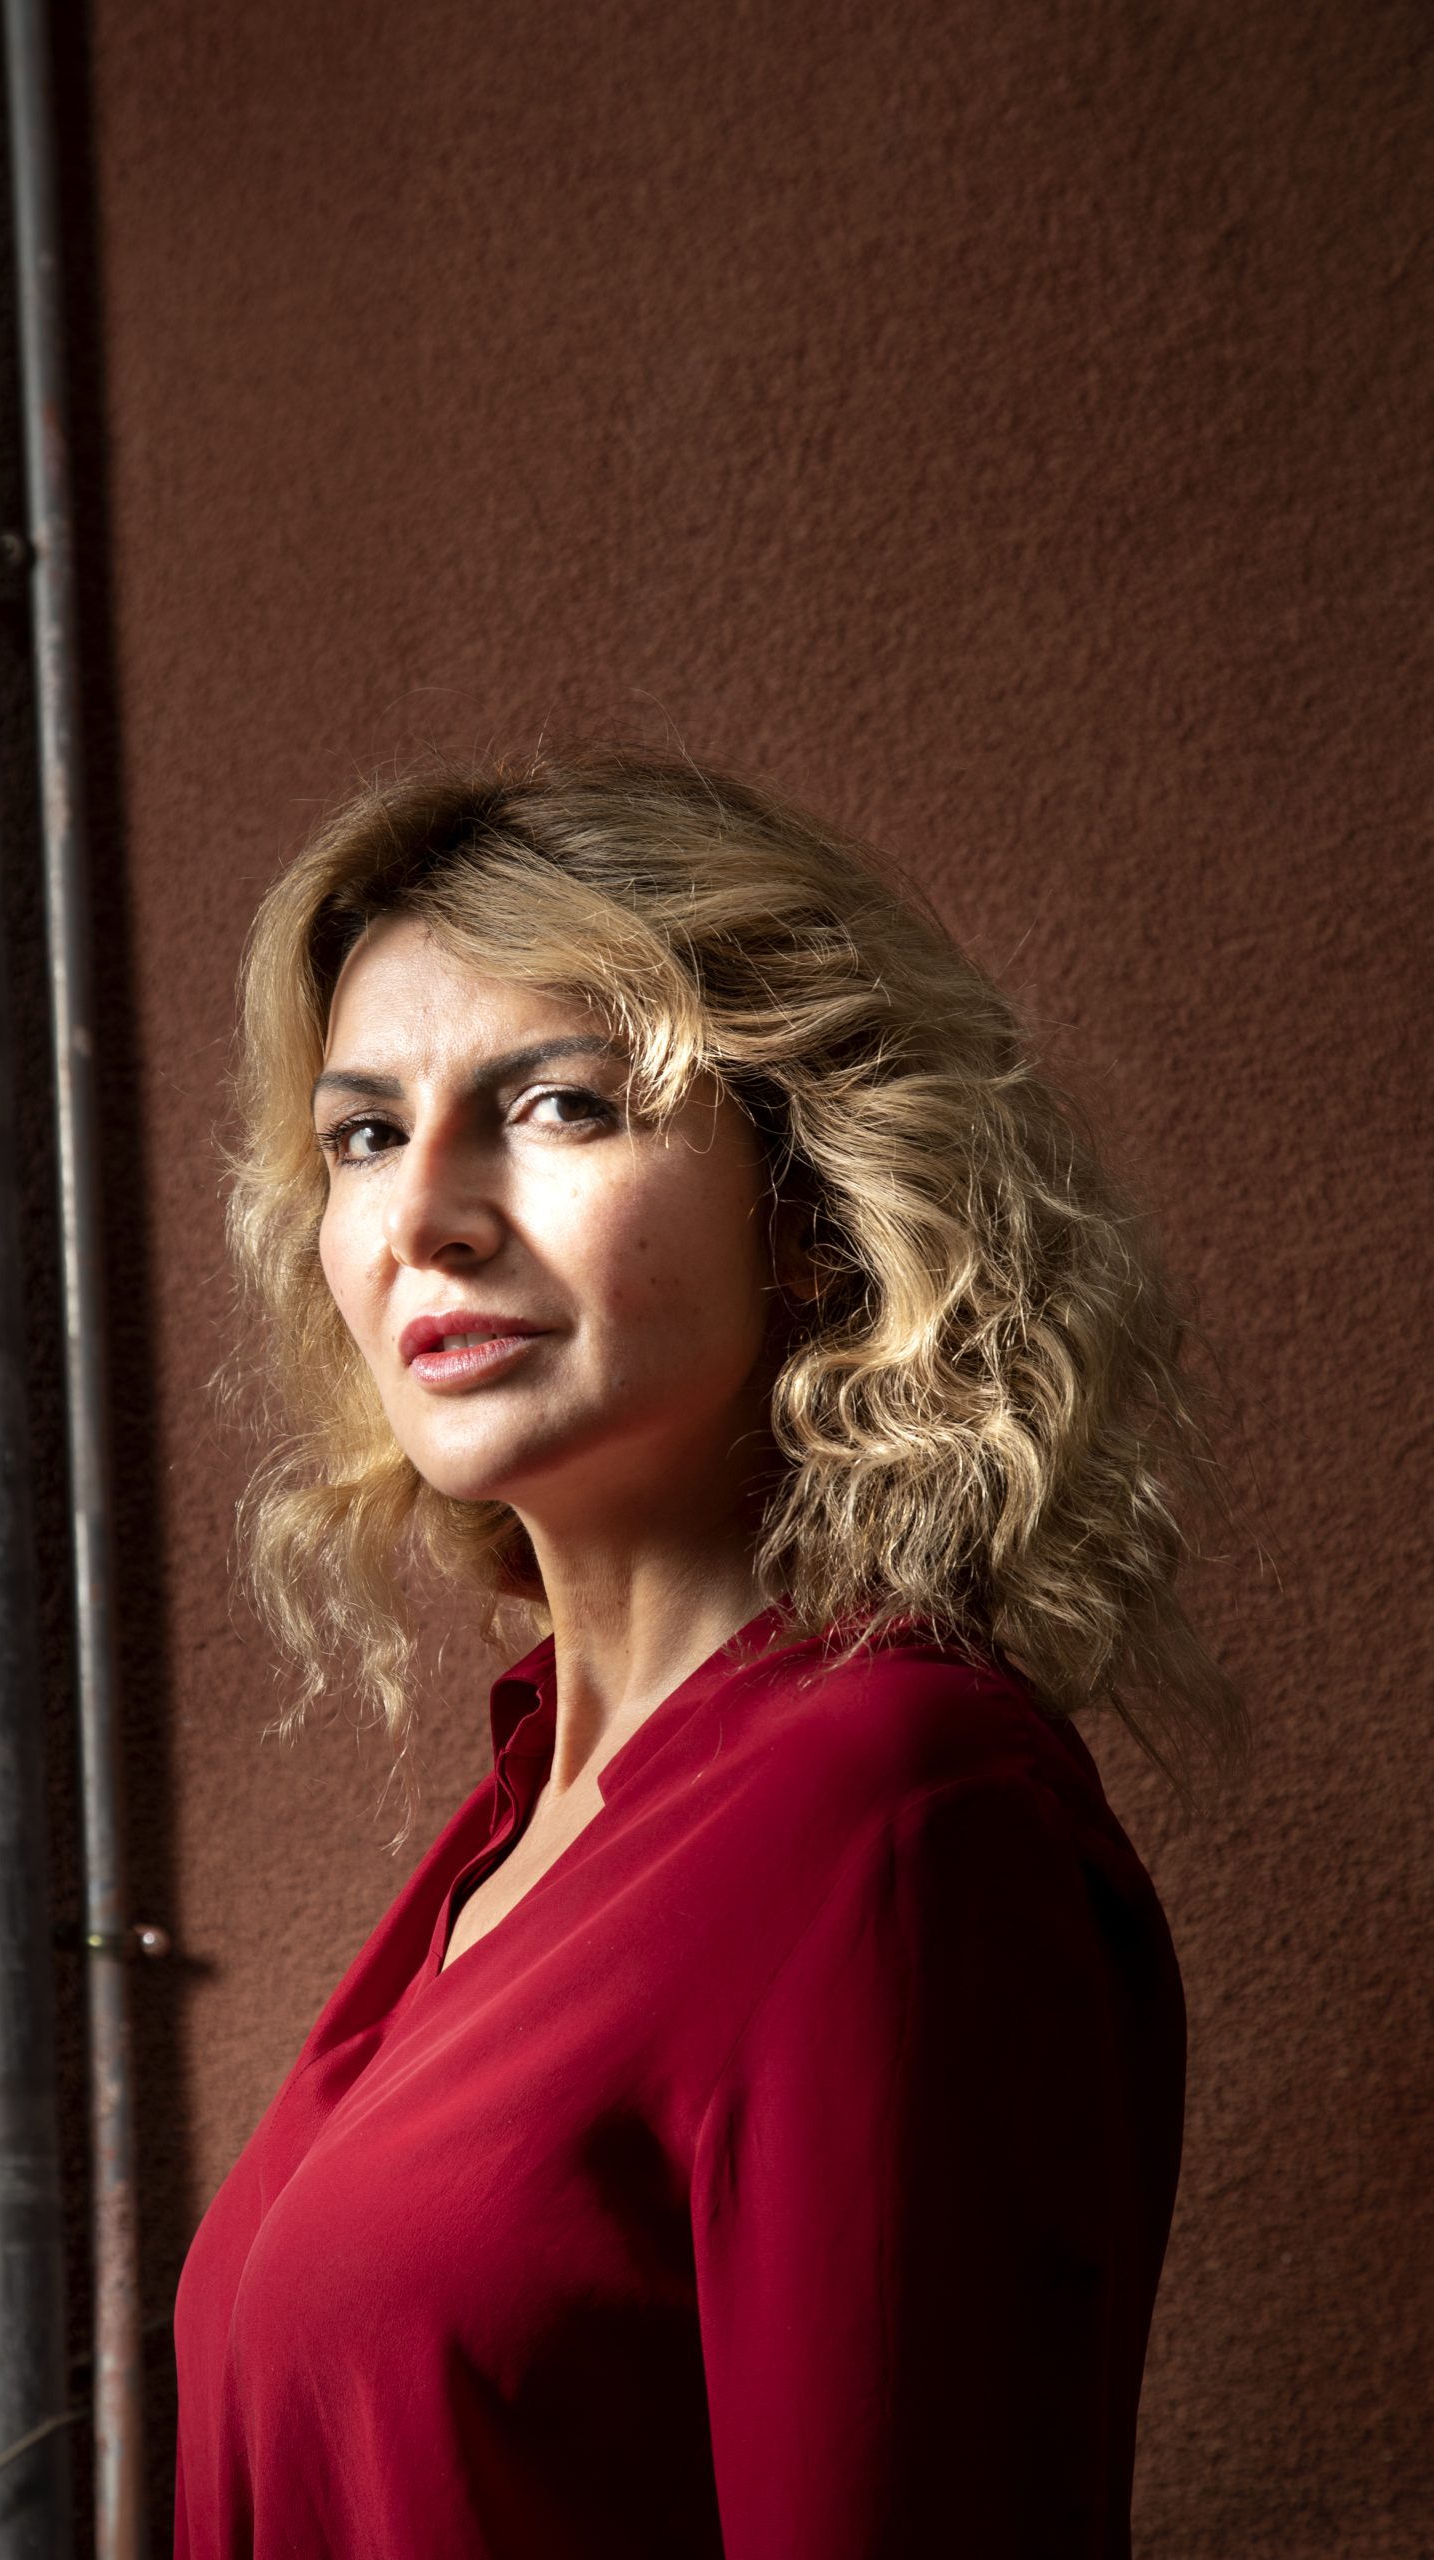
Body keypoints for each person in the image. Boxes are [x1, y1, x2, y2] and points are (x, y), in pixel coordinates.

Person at [172, 743, 1243, 2558]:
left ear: (811, 1207)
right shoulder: (527, 1815)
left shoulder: (890, 1814)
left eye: (558, 1106)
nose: (422, 1214)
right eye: (365, 1135)